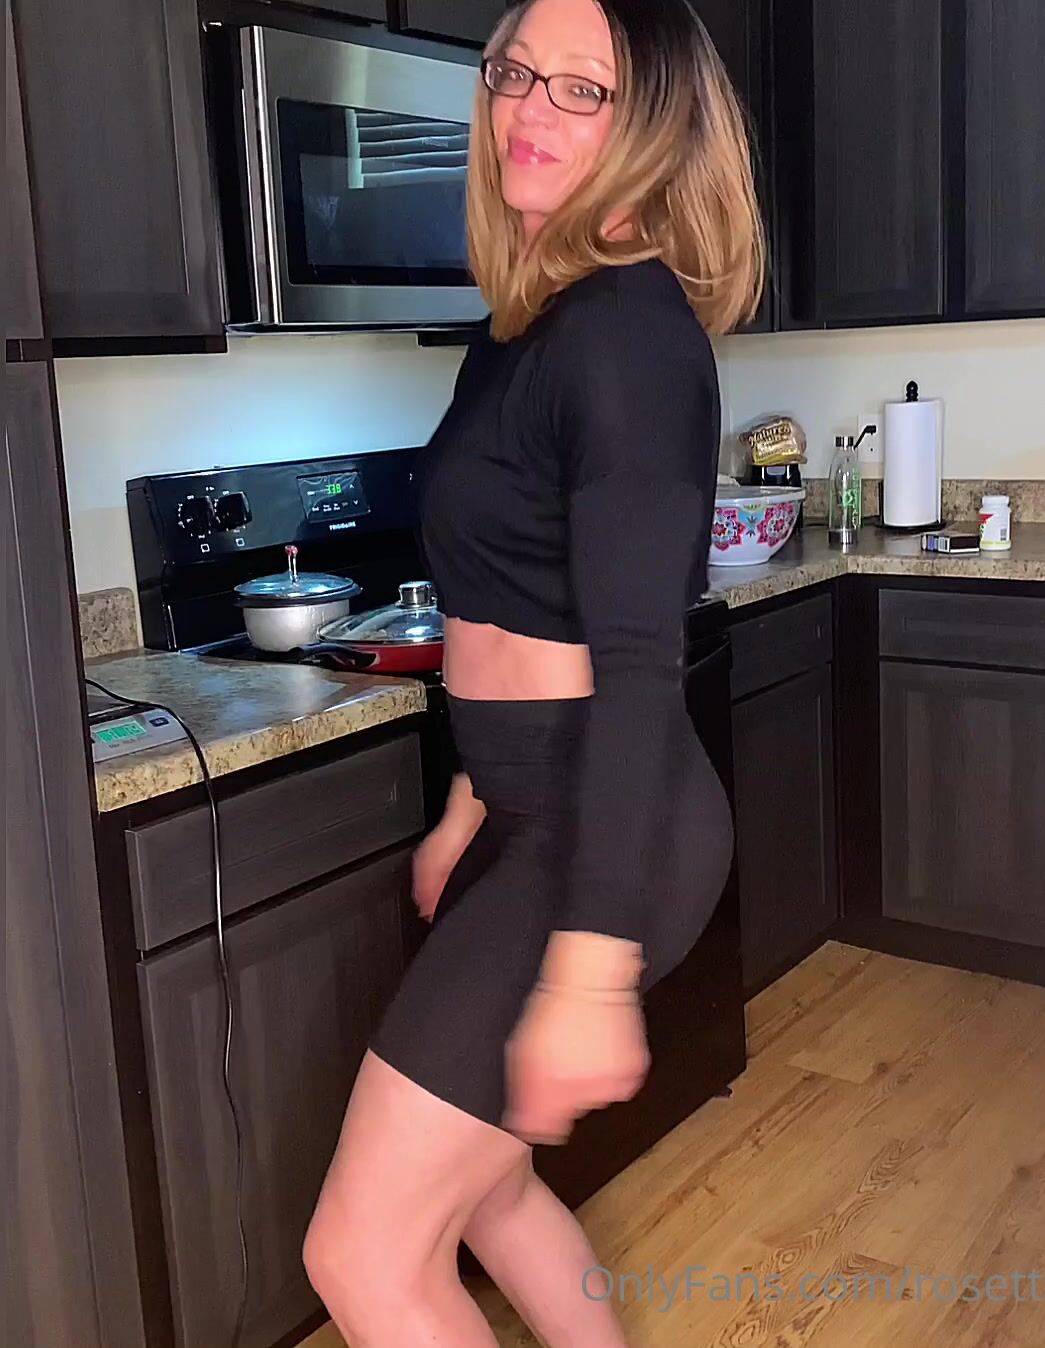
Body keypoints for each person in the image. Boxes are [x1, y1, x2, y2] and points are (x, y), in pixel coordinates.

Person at [303, 0, 765, 1343]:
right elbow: (504, 604)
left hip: (608, 824)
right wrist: (471, 804)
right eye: (517, 73)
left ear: (655, 124)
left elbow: (638, 670)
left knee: (363, 1260)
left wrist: (590, 977)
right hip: (529, 807)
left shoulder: (630, 336)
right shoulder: (523, 326)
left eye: (583, 88)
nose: (527, 110)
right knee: (492, 1195)